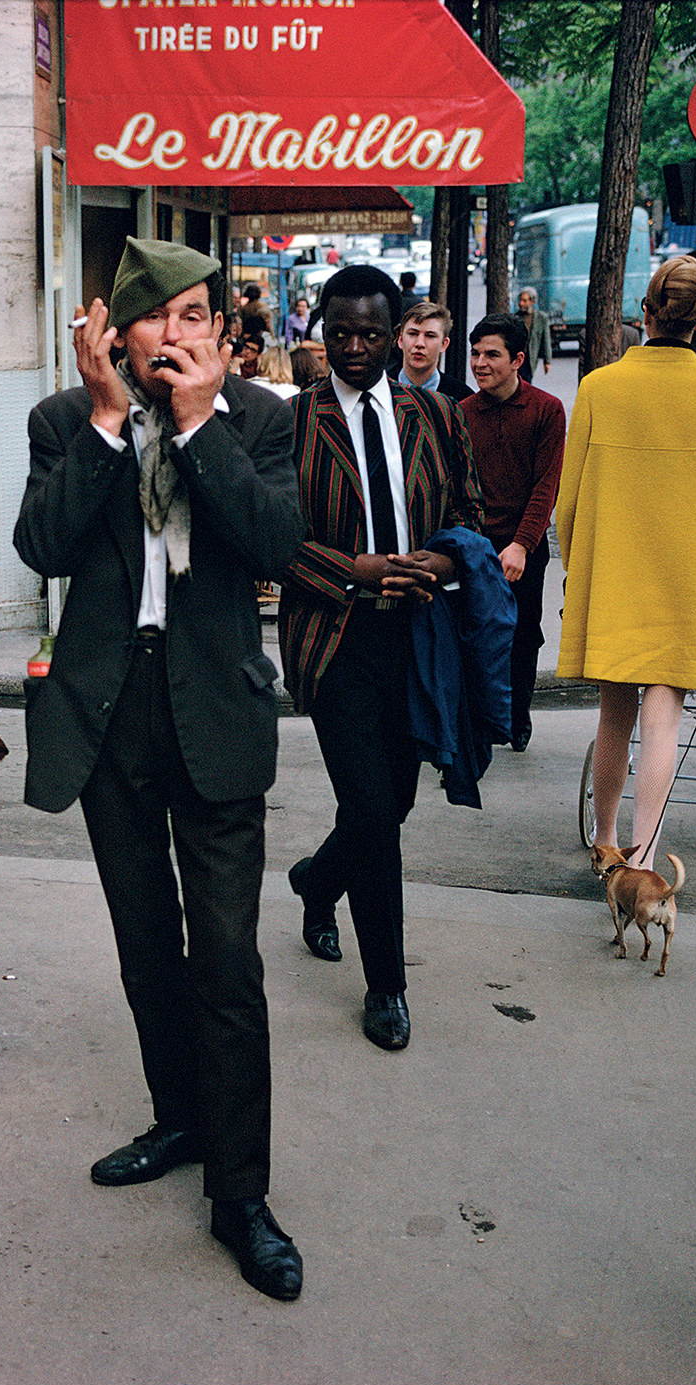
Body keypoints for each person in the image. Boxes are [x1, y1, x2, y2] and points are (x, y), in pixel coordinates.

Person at [13, 237, 305, 1303]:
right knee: (148, 948)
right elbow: (42, 545)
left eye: (197, 315)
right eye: (159, 317)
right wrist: (103, 425)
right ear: (116, 331)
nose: (180, 335)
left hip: (214, 716)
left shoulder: (262, 420)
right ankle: (178, 1115)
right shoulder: (63, 422)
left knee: (227, 961)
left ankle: (242, 1195)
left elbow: (275, 541)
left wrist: (195, 424)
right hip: (108, 717)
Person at [280, 264, 485, 1053]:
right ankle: (387, 986)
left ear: (397, 333)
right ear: (321, 332)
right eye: (341, 334)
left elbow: (468, 510)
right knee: (372, 812)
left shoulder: (435, 413)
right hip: (335, 639)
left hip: (419, 634)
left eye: (371, 333)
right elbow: (275, 540)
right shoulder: (293, 422)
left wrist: (442, 560)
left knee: (389, 806)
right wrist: (350, 570)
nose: (356, 348)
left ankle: (317, 878)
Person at [554, 255, 696, 870]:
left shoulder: (598, 388)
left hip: (617, 574)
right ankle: (643, 859)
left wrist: (580, 568)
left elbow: (569, 501)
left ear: (645, 312)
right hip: (686, 579)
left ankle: (605, 839)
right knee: (665, 717)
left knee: (613, 715)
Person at [458, 313, 565, 753]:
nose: (480, 364)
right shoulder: (461, 413)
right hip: (474, 544)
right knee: (472, 632)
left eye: (492, 355)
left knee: (523, 634)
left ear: (518, 359)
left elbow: (546, 485)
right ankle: (475, 718)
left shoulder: (546, 410)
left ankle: (517, 714)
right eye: (476, 353)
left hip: (524, 545)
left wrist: (522, 545)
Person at [396, 302, 462, 398]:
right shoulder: (378, 390)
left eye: (430, 336)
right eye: (413, 334)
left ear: (444, 344)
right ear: (400, 340)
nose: (419, 343)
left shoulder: (461, 397)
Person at [515, 286, 553, 383]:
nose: (521, 303)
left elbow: (546, 340)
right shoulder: (516, 317)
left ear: (532, 302)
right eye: (520, 300)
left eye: (524, 301)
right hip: (516, 357)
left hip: (529, 358)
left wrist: (547, 361)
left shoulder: (540, 318)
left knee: (527, 382)